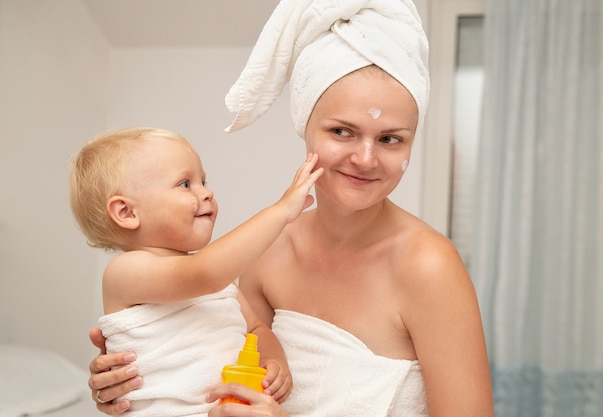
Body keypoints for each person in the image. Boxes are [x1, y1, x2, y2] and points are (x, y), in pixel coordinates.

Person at [87, 1, 494, 416]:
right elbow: (220, 365)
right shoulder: (265, 253)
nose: (366, 159)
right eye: (342, 131)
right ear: (305, 125)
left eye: (391, 139)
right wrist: (139, 380)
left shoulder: (428, 267)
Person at [70, 127, 323, 417]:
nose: (207, 192)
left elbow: (255, 329)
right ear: (127, 213)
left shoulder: (219, 284)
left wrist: (275, 361)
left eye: (203, 181)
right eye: (185, 184)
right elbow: (205, 273)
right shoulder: (125, 272)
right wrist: (281, 211)